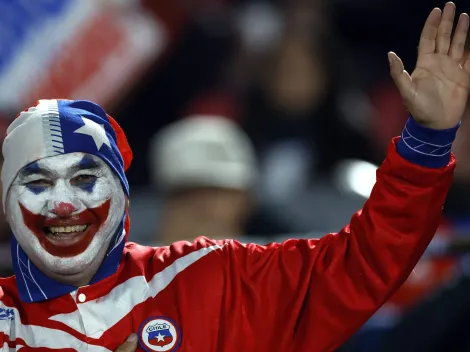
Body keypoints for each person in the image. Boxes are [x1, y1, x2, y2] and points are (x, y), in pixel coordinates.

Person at [0, 3, 469, 352]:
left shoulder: (215, 278)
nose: (63, 204)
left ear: (123, 195)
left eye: (85, 179)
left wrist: (427, 140)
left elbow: (365, 261)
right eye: (37, 184)